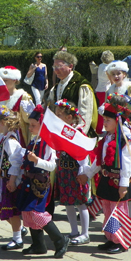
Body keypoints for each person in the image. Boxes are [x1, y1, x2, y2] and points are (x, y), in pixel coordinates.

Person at [10, 105, 69, 258]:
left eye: (33, 125)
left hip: (40, 184)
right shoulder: (34, 141)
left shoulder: (47, 143)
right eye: (29, 124)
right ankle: (38, 244)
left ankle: (60, 240)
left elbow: (52, 166)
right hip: (28, 182)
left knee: (37, 214)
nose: (30, 127)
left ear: (42, 125)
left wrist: (37, 160)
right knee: (27, 213)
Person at [81, 96, 131, 254]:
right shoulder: (107, 138)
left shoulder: (124, 139)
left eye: (107, 120)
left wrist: (124, 184)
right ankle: (111, 238)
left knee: (117, 213)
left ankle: (120, 241)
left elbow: (127, 163)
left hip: (118, 182)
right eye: (103, 119)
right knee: (107, 211)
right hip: (107, 180)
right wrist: (88, 174)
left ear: (117, 120)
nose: (104, 123)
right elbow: (100, 160)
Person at [0, 106, 27, 250]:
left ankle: (17, 238)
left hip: (7, 180)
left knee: (11, 210)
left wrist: (11, 181)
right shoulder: (3, 138)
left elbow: (16, 161)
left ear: (4, 122)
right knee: (4, 209)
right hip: (2, 180)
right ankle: (19, 230)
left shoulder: (11, 141)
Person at [53, 99, 91, 245]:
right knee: (68, 203)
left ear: (69, 117)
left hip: (76, 172)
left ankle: (85, 233)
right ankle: (74, 231)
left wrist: (83, 172)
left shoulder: (77, 133)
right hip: (64, 171)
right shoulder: (61, 131)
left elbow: (83, 155)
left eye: (59, 114)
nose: (57, 117)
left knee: (80, 203)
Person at [48, 51, 98, 137]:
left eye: (59, 66)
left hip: (76, 135)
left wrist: (79, 135)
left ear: (70, 66)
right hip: (60, 133)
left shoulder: (82, 85)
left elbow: (85, 115)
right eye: (54, 67)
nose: (56, 70)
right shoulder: (55, 88)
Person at [0, 66, 35, 146]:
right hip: (2, 137)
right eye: (2, 80)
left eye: (6, 80)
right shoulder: (0, 98)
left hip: (18, 139)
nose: (3, 82)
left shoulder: (23, 97)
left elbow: (29, 120)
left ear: (14, 80)